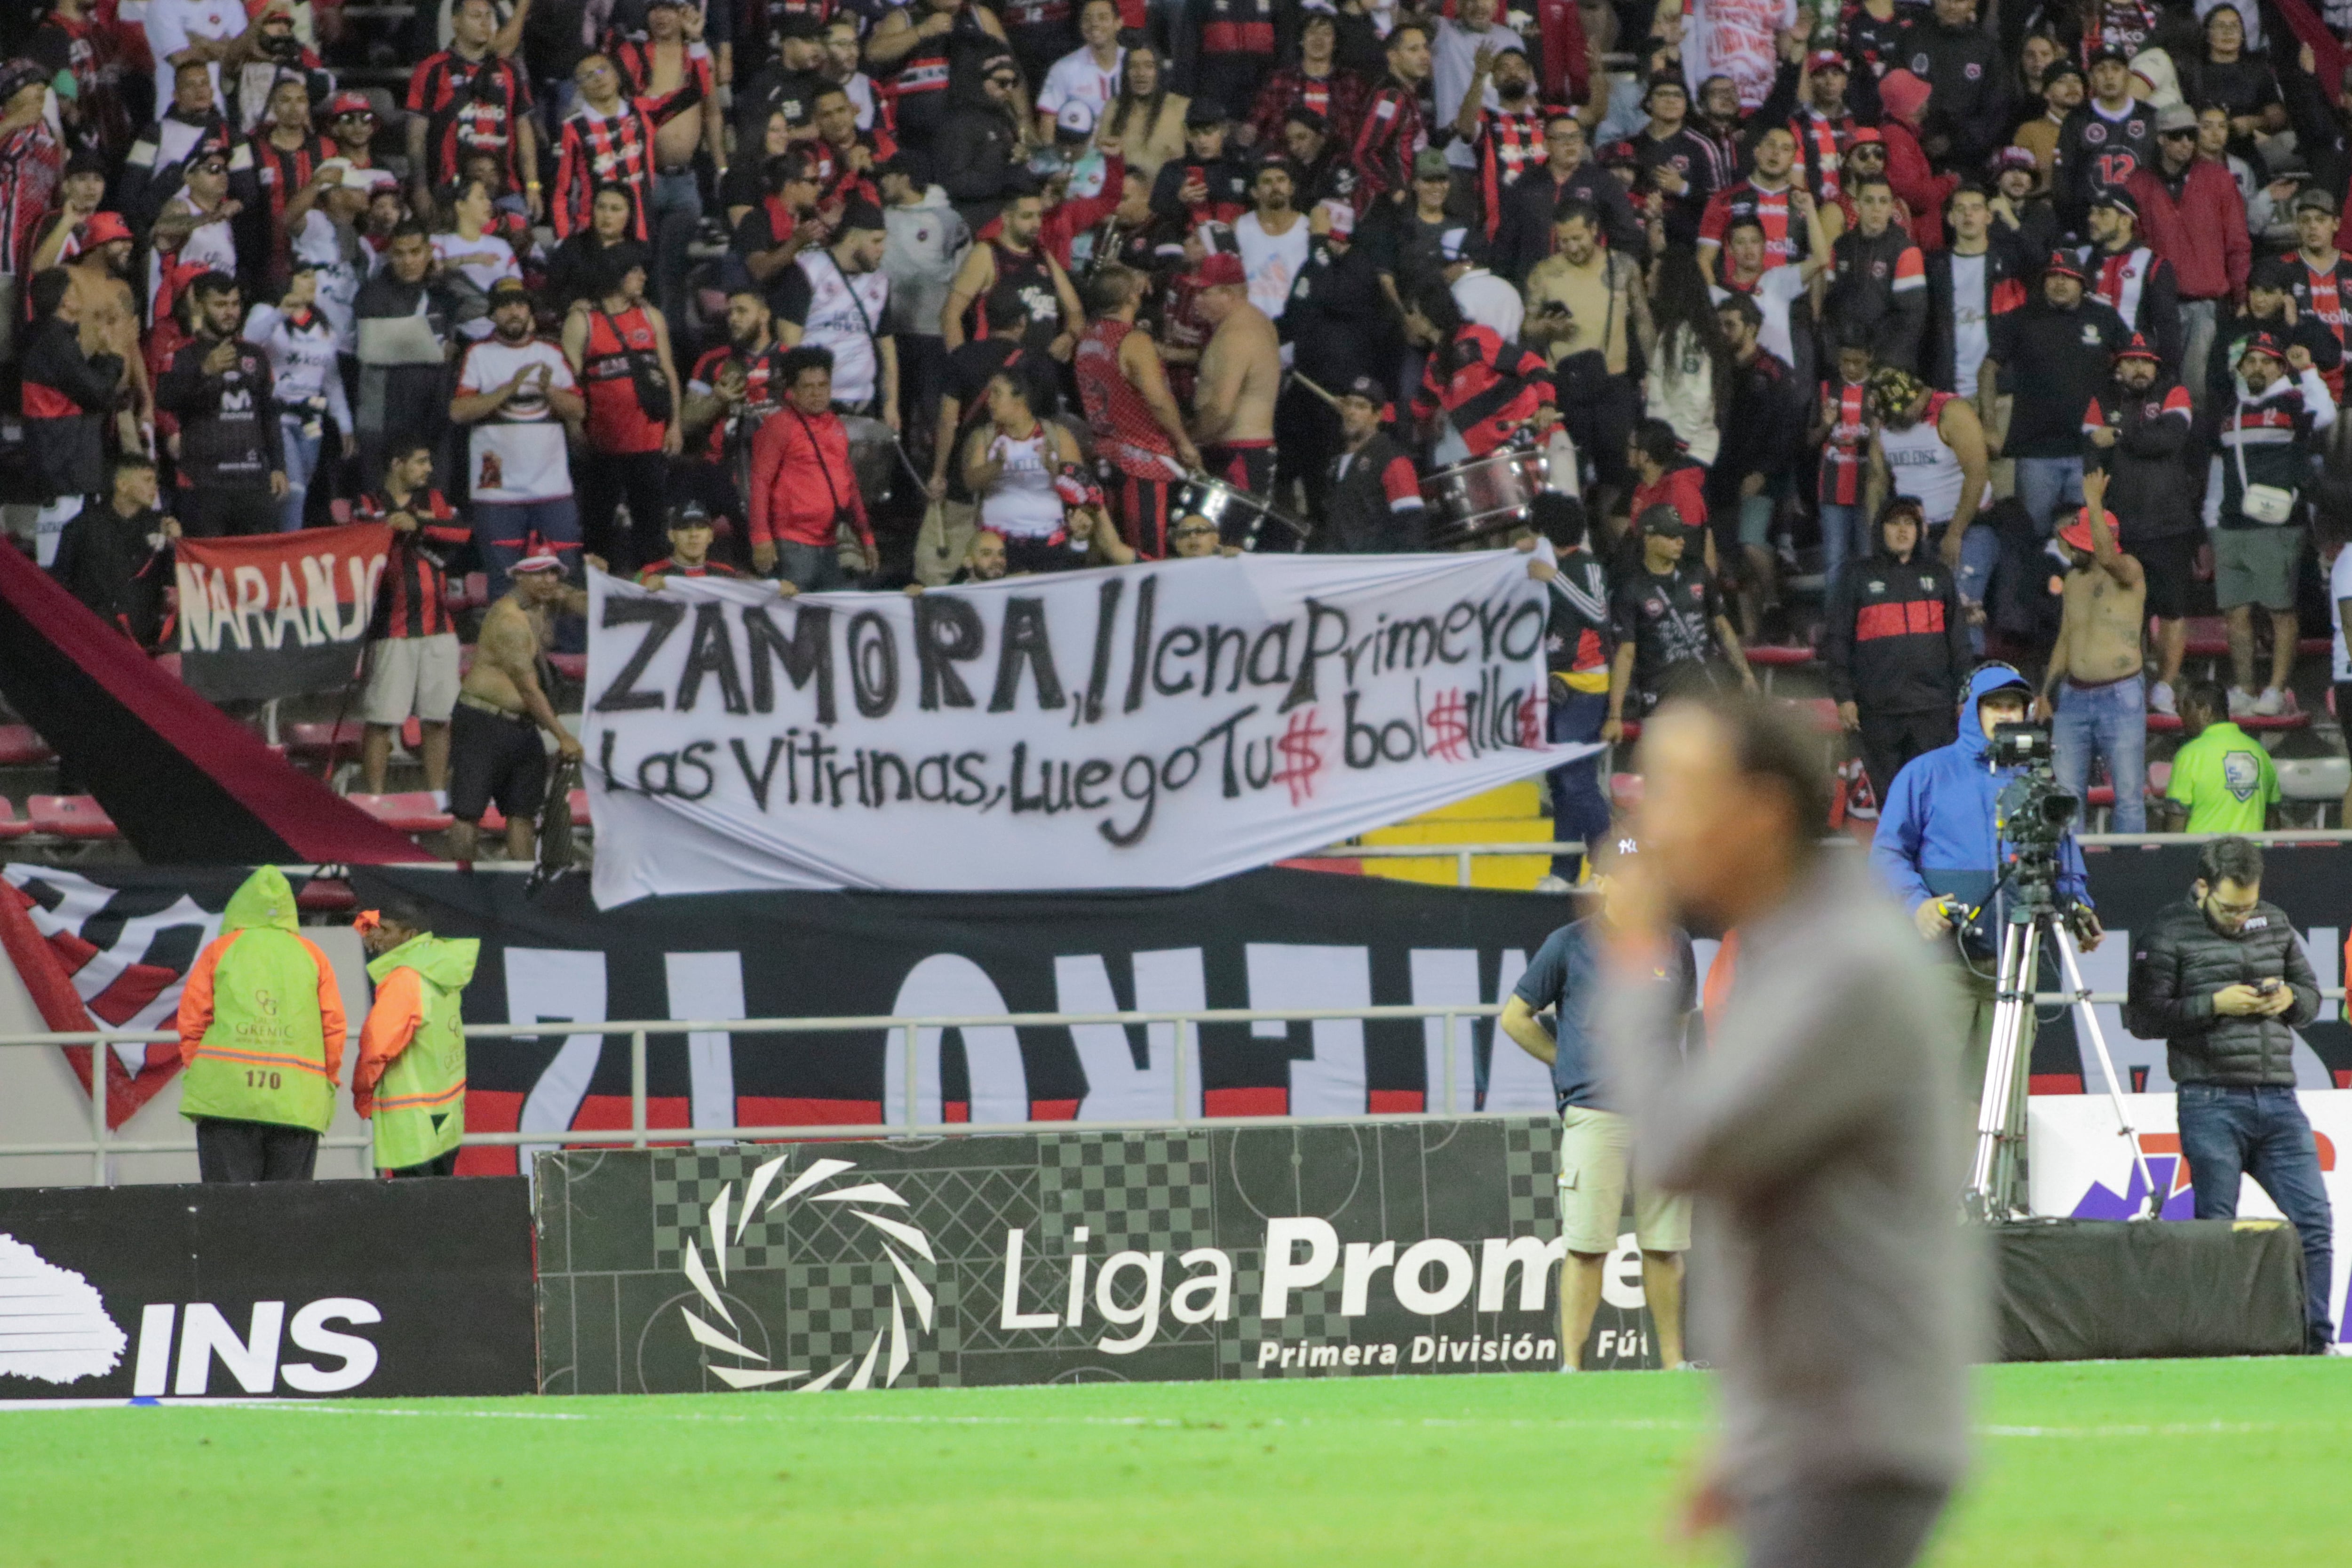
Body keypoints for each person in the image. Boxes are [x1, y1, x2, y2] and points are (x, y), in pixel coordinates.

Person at [1599, 688, 1974, 1568]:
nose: (1652, 823)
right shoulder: (1800, 942)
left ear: (1761, 811)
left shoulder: (1843, 963)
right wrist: (1754, 1430)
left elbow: (1681, 1147)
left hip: (1856, 1440)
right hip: (1821, 1433)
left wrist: (1629, 957)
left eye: (1676, 791)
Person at [1870, 665, 2099, 1144]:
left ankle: (2001, 1202)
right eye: (1995, 705)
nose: (2005, 714)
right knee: (1929, 1093)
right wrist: (1917, 904)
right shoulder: (1925, 773)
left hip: (2014, 962)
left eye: (2013, 705)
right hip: (1941, 962)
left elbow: (2064, 851)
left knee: (2004, 1094)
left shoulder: (2038, 779)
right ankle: (1929, 1210)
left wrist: (2078, 904)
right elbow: (1887, 852)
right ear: (1971, 710)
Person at [2124, 836, 2334, 1354]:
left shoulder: (2275, 921)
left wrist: (2288, 999)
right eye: (2229, 908)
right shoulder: (2167, 929)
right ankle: (2218, 1343)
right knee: (2216, 1230)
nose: (2241, 918)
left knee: (2313, 1225)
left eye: (2247, 907)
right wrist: (2213, 1002)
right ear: (2201, 888)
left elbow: (2309, 999)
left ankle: (2316, 1343)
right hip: (2208, 1098)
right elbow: (2143, 1018)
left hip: (2279, 1099)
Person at [1500, 827, 1692, 1369]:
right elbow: (1514, 1018)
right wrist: (1564, 1062)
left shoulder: (1673, 941)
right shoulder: (1568, 944)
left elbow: (1676, 1021)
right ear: (1599, 881)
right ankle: (1572, 1369)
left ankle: (1672, 1366)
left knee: (1664, 1245)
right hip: (1594, 1113)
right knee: (1585, 1247)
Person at [175, 865, 347, 1184]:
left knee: (230, 1212)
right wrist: (325, 1082)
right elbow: (333, 1028)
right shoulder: (313, 955)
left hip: (227, 1101)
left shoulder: (220, 951)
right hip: (297, 1102)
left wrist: (202, 1070)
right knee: (287, 1214)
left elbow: (192, 1021)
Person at [2207, 331, 2333, 716]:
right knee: (2236, 611)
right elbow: (2218, 466)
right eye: (2251, 361)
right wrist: (2210, 518)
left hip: (2278, 524)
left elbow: (2327, 416)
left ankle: (2277, 689)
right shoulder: (2230, 408)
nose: (2257, 367)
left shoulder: (2293, 401)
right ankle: (2245, 688)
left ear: (2279, 367)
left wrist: (2308, 370)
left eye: (2266, 361)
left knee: (2281, 610)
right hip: (2232, 523)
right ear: (2241, 367)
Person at [1824, 498, 1971, 806]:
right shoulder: (1856, 576)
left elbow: (1959, 643)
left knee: (1935, 800)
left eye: (1909, 524)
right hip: (1879, 710)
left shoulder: (1940, 575)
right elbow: (1838, 640)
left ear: (1920, 530)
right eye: (1894, 524)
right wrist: (1844, 697)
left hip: (1933, 709)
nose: (1902, 531)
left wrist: (1964, 695)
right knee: (1888, 804)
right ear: (1881, 530)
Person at [2082, 331, 2196, 714]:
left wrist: (2117, 434)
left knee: (2173, 610)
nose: (2139, 367)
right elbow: (2091, 458)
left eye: (2146, 361)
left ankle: (2165, 685)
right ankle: (2132, 679)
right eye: (2131, 361)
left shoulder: (2174, 393)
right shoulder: (2100, 398)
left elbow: (2167, 441)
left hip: (2171, 523)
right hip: (2122, 527)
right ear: (2117, 367)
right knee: (2127, 609)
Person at [448, 548, 586, 863]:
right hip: (484, 721)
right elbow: (527, 687)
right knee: (469, 812)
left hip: (521, 726)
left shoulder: (543, 599)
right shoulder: (508, 620)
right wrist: (562, 735)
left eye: (554, 572)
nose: (549, 580)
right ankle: (459, 879)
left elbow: (578, 601)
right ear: (520, 577)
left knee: (523, 812)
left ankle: (521, 880)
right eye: (540, 573)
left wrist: (607, 584)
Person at [1980, 251, 2130, 534]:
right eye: (2053, 276)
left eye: (2068, 277)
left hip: (2089, 452)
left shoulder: (2104, 317)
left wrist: (2121, 422)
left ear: (2083, 283)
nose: (2060, 283)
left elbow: (2136, 366)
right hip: (2036, 453)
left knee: (2089, 541)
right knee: (2034, 538)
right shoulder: (2021, 318)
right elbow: (1988, 370)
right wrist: (1989, 427)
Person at [453, 277, 587, 594]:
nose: (513, 311)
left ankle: (569, 643)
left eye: (520, 304)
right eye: (505, 306)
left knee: (565, 573)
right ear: (493, 314)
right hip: (497, 491)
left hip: (552, 486)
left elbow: (578, 410)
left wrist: (548, 390)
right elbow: (458, 412)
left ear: (530, 310)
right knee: (504, 579)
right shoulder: (478, 353)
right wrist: (508, 390)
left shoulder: (551, 351)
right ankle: (509, 642)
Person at [353, 440, 469, 797]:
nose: (428, 469)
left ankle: (437, 797)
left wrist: (416, 524)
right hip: (391, 629)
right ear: (397, 463)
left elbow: (461, 531)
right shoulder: (367, 503)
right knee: (382, 719)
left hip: (439, 629)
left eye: (429, 462)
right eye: (420, 462)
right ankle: (375, 797)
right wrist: (391, 526)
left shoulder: (433, 501)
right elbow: (358, 539)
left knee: (439, 719)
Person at [2036, 469, 2148, 832]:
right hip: (2074, 697)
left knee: (2128, 795)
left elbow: (2109, 555)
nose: (2069, 548)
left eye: (2076, 541)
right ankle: (2073, 877)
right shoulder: (2073, 580)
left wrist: (2094, 502)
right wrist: (2046, 692)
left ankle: (2133, 879)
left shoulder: (2128, 570)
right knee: (2068, 796)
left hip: (2121, 694)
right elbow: (2066, 639)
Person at [562, 251, 684, 572]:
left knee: (652, 530)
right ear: (616, 274)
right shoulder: (582, 320)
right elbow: (569, 383)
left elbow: (668, 371)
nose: (643, 278)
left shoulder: (650, 316)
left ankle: (653, 595)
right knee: (598, 529)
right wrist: (575, 427)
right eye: (635, 271)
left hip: (649, 440)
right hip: (603, 445)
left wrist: (676, 426)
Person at [2124, 103, 2250, 406]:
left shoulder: (2218, 179)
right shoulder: (2138, 183)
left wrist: (2241, 295)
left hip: (2205, 302)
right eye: (2177, 136)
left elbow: (2237, 241)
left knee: (2197, 389)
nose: (2186, 144)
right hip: (2156, 303)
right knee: (2159, 388)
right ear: (2160, 138)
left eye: (2191, 136)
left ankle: (2199, 452)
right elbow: (2130, 242)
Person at [1604, 504, 1755, 743]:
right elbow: (1626, 653)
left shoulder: (1697, 571)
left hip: (1707, 693)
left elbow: (1722, 625)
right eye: (1671, 536)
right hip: (1662, 702)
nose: (1680, 541)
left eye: (1681, 535)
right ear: (1649, 538)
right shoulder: (1631, 588)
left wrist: (1746, 674)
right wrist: (1615, 716)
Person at [1074, 265, 1198, 557]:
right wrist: (1183, 442)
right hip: (1143, 460)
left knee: (1114, 550)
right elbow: (1157, 400)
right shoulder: (1133, 341)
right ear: (1131, 297)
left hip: (1106, 453)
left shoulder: (1088, 337)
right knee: (1147, 553)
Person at [1520, 492, 1610, 889]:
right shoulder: (1546, 558)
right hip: (1553, 685)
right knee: (1560, 784)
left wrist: (1554, 578)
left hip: (1585, 684)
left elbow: (1598, 613)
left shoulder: (1584, 563)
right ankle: (1564, 872)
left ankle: (1620, 863)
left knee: (1578, 781)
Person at [352, 900, 480, 1178]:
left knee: (414, 1213)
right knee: (440, 1208)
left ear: (409, 936)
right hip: (446, 1115)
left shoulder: (405, 979)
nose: (375, 937)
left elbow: (376, 1045)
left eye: (384, 929)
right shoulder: (441, 969)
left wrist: (362, 1092)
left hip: (411, 1120)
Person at [156, 271, 287, 537]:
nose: (230, 313)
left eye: (235, 304)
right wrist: (203, 371)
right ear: (201, 306)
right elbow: (165, 400)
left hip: (253, 481)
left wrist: (278, 466)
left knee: (256, 564)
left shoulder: (256, 355)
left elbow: (268, 414)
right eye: (220, 305)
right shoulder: (183, 356)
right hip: (205, 485)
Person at [747, 344, 879, 589]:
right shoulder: (779, 426)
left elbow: (850, 485)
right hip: (793, 544)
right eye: (807, 387)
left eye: (822, 386)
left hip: (835, 543)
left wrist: (866, 537)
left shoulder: (837, 426)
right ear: (792, 392)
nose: (817, 393)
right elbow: (760, 482)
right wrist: (761, 538)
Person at [241, 258, 351, 531]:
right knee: (293, 490)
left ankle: (279, 540)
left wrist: (345, 424)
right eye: (304, 276)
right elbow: (248, 342)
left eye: (313, 276)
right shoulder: (266, 311)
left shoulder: (323, 324)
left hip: (312, 420)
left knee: (302, 486)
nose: (312, 282)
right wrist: (281, 313)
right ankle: (290, 551)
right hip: (278, 415)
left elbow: (332, 379)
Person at [405, 0, 539, 219]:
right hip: (451, 193)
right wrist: (420, 188)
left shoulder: (509, 70)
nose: (485, 23)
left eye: (489, 16)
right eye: (476, 16)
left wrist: (533, 185)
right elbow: (416, 136)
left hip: (505, 193)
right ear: (456, 22)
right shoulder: (432, 69)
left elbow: (523, 130)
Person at [776, 200, 898, 424]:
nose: (882, 249)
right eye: (876, 241)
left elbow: (887, 349)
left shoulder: (880, 282)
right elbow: (789, 341)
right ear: (852, 239)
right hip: (817, 405)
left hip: (863, 403)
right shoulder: (808, 270)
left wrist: (891, 404)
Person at [1191, 252, 1283, 539]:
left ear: (1229, 294)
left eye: (1203, 293)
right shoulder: (1257, 321)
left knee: (1220, 543)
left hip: (1237, 457)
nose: (1196, 301)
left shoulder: (1236, 335)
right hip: (1247, 452)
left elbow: (1221, 409)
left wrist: (1190, 441)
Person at [963, 365, 1085, 573]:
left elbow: (1082, 488)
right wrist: (996, 466)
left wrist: (1054, 468)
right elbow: (971, 482)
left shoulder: (1057, 436)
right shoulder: (984, 437)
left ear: (1019, 400)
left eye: (997, 394)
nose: (989, 401)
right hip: (999, 546)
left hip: (1050, 541)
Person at [51, 454, 174, 649]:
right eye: (147, 480)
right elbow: (59, 583)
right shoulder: (83, 526)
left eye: (155, 481)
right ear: (122, 485)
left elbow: (175, 582)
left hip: (144, 641)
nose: (155, 487)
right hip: (91, 638)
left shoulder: (161, 527)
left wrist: (176, 545)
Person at [1825, 175, 1927, 374]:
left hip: (1887, 366)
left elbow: (1912, 319)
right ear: (1857, 206)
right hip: (1845, 362)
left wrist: (1887, 365)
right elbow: (1830, 305)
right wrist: (1835, 355)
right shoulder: (1840, 247)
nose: (1877, 208)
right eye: (1869, 201)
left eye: (1883, 201)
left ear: (1892, 208)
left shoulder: (1906, 251)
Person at [1316, 374, 1426, 554]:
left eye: (1361, 407)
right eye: (1348, 405)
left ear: (1377, 416)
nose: (1351, 412)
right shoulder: (1335, 462)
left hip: (1373, 567)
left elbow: (1412, 526)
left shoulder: (1392, 460)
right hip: (1339, 567)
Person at [2078, 189, 2183, 376]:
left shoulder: (2152, 264)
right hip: (2079, 364)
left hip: (2127, 370)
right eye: (2092, 212)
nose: (2092, 219)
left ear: (2126, 221)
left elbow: (2168, 329)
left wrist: (2168, 378)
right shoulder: (2078, 258)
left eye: (2103, 214)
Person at [2156, 681, 2280, 833]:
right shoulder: (2260, 753)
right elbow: (2272, 821)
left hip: (2203, 853)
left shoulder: (2190, 755)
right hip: (2251, 854)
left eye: (2186, 709)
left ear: (2206, 711)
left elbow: (2175, 824)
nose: (2182, 718)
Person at [637, 500, 749, 585]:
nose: (693, 534)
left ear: (710, 536)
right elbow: (626, 594)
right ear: (671, 535)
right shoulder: (649, 573)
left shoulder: (727, 574)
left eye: (701, 528)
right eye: (685, 528)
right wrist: (643, 588)